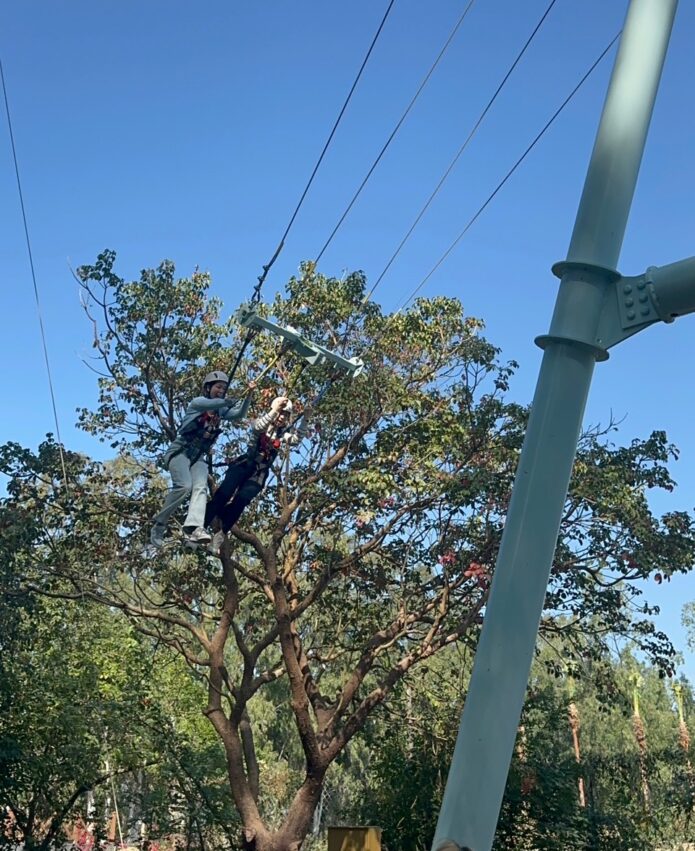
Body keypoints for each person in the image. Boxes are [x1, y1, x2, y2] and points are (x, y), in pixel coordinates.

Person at [150, 370, 254, 547]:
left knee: (200, 486)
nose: (221, 390)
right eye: (218, 387)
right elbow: (216, 404)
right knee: (184, 486)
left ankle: (194, 528)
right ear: (208, 388)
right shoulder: (197, 403)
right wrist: (227, 400)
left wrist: (248, 395)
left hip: (197, 457)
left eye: (223, 388)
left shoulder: (220, 410)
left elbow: (238, 414)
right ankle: (159, 524)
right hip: (180, 452)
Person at [204, 395, 305, 553]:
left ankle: (220, 533)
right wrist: (275, 410)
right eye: (280, 413)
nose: (281, 417)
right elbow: (257, 428)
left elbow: (296, 440)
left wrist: (307, 417)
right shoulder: (264, 422)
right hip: (244, 464)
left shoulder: (282, 434)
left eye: (285, 415)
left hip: (259, 472)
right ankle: (200, 525)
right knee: (224, 494)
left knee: (241, 500)